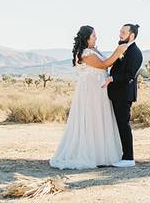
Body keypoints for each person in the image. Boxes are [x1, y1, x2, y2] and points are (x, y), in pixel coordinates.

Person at [49, 25, 130, 169]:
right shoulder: (85, 53)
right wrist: (118, 51)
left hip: (99, 90)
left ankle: (101, 153)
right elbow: (103, 64)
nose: (96, 37)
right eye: (93, 36)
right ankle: (89, 154)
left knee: (100, 118)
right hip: (90, 91)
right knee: (91, 118)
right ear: (86, 38)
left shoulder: (94, 50)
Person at [105, 23, 143, 167]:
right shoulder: (126, 48)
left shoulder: (134, 52)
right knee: (120, 125)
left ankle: (128, 158)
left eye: (123, 32)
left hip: (124, 95)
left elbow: (129, 75)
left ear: (131, 35)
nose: (120, 34)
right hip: (117, 93)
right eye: (120, 31)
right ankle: (122, 155)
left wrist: (112, 78)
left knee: (124, 125)